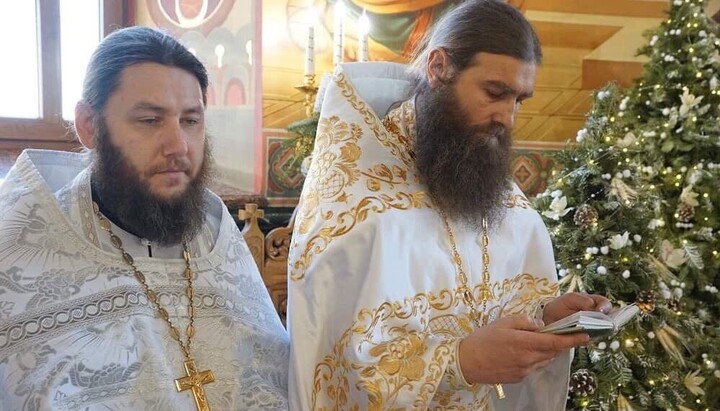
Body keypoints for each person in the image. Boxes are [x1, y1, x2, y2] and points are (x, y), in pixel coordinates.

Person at [288, 1, 612, 409]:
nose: (507, 117)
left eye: (519, 100)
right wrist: (459, 362)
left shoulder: (495, 190)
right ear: (439, 67)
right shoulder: (359, 202)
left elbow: (492, 298)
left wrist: (546, 318)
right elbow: (331, 357)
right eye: (495, 93)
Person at [0, 26, 288, 410]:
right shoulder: (19, 246)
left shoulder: (215, 234)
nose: (178, 146)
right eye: (150, 120)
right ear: (89, 125)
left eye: (190, 120)